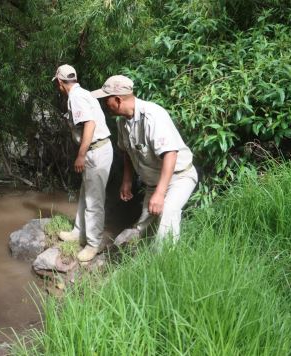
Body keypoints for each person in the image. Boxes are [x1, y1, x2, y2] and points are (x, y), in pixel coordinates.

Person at [91, 75, 197, 249]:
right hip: (153, 182)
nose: (103, 104)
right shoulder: (122, 122)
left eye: (105, 99)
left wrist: (161, 193)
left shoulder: (153, 116)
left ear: (117, 100)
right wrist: (127, 181)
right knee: (143, 227)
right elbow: (127, 151)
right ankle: (139, 260)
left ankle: (165, 266)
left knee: (168, 215)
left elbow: (170, 154)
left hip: (179, 178)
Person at [52, 64, 113, 262]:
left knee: (94, 201)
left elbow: (90, 123)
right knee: (86, 194)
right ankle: (78, 232)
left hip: (96, 151)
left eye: (58, 83)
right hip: (97, 149)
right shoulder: (82, 93)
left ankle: (93, 244)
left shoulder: (76, 97)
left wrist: (81, 154)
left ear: (60, 83)